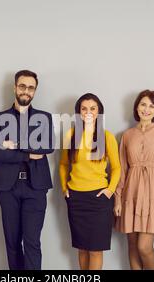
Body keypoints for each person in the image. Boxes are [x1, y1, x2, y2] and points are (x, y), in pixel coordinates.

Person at [0, 70, 54, 270]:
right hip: (8, 188)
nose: (26, 91)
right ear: (15, 87)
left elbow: (46, 147)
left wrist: (11, 144)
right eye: (22, 86)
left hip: (36, 187)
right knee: (12, 242)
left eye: (31, 88)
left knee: (32, 242)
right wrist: (26, 154)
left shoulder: (44, 118)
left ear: (35, 91)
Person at [114, 90, 154, 270]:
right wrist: (118, 199)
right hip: (130, 193)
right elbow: (122, 169)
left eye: (151, 106)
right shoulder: (127, 135)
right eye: (143, 104)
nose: (146, 109)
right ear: (136, 107)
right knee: (132, 246)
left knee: (144, 246)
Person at [59, 93, 121, 270]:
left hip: (99, 200)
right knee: (82, 249)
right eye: (84, 108)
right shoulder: (70, 135)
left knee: (95, 251)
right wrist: (65, 189)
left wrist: (110, 190)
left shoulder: (107, 136)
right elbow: (63, 164)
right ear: (78, 112)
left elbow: (117, 168)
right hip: (76, 199)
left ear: (99, 112)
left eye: (93, 108)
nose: (88, 112)